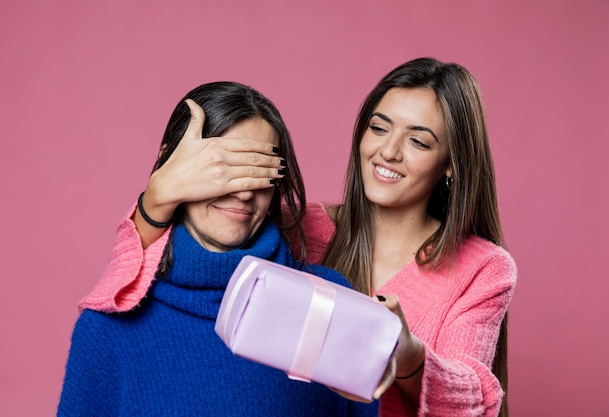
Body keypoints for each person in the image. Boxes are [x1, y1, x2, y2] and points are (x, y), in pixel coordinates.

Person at [78, 58, 517, 417]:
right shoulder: (296, 223)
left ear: (451, 165)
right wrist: (160, 196)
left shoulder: (482, 267)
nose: (388, 151)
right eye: (379, 128)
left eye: (418, 141)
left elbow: (477, 398)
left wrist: (407, 355)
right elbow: (166, 257)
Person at [57, 81, 379, 417]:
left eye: (261, 172)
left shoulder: (329, 300)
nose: (243, 192)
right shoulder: (107, 329)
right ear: (173, 171)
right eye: (223, 170)